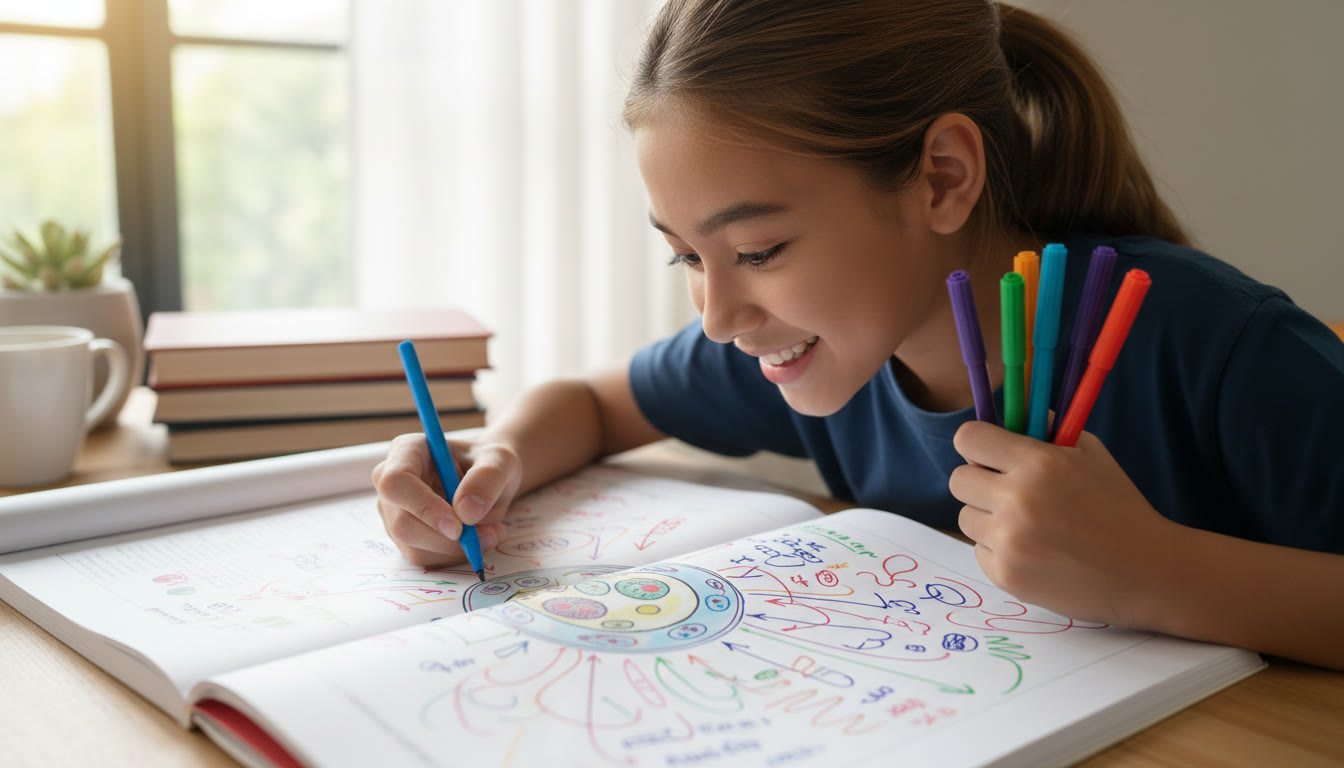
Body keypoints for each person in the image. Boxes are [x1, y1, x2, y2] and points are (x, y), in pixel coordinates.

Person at [372, 0, 1344, 669]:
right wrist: (493, 459)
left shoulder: (1215, 346)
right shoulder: (809, 349)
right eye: (685, 258)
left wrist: (1163, 575)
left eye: (757, 248)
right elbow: (591, 403)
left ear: (942, 178)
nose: (717, 317)